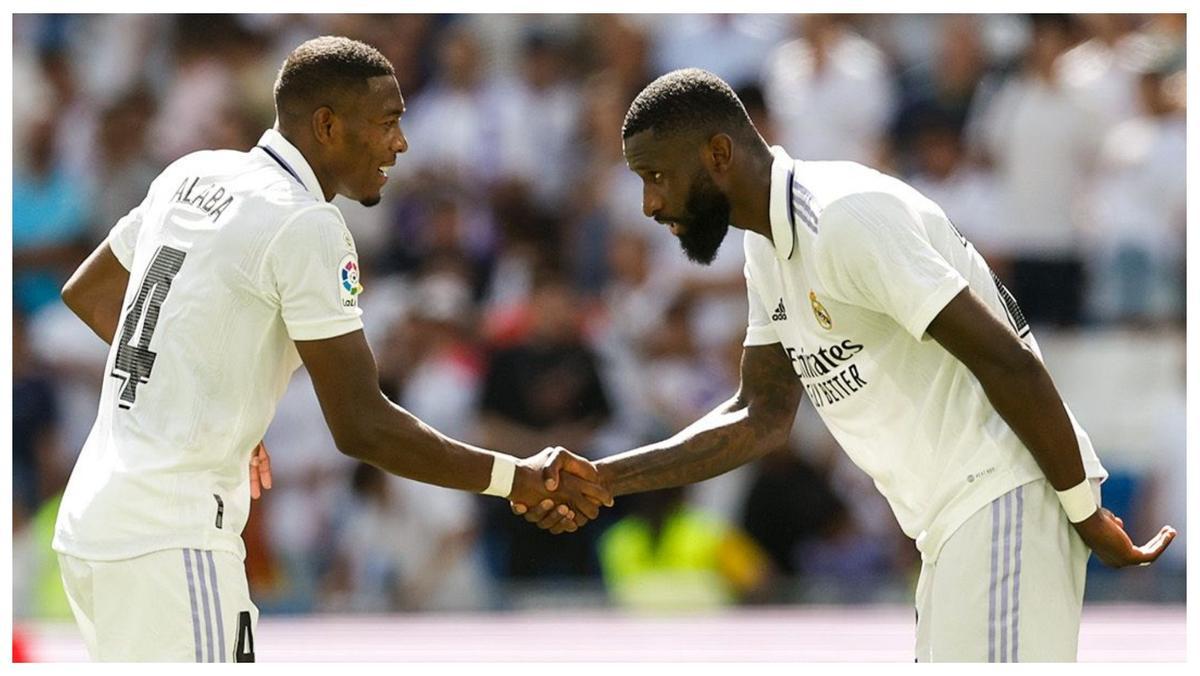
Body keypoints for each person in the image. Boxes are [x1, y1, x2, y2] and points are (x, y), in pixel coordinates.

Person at [514, 68, 1176, 662]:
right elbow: (759, 416)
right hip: (951, 529)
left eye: (656, 176)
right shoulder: (767, 247)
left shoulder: (841, 215)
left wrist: (1083, 509)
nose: (649, 205)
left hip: (1003, 498)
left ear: (717, 154)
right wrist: (602, 477)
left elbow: (1009, 361)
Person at [51, 36, 610, 663]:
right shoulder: (306, 223)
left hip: (94, 524)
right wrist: (516, 479)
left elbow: (92, 293)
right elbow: (362, 425)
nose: (401, 143)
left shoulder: (193, 172)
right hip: (170, 539)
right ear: (326, 126)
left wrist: (206, 397)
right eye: (388, 122)